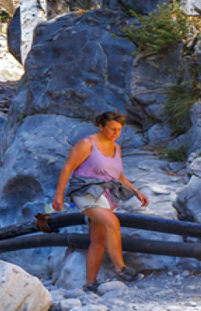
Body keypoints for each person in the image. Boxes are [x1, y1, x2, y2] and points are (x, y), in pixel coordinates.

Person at [52, 111, 149, 290]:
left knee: (98, 240)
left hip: (106, 195)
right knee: (112, 222)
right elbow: (67, 168)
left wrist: (136, 191)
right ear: (101, 126)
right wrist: (59, 194)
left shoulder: (116, 148)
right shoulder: (87, 144)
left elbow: (118, 175)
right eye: (112, 129)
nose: (115, 133)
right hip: (85, 192)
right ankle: (121, 268)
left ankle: (90, 283)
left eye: (119, 130)